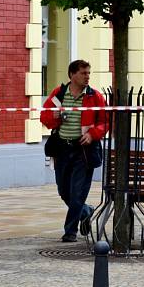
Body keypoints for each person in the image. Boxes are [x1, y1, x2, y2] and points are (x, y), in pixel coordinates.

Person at [41, 60, 108, 242]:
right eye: (83, 73)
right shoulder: (59, 94)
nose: (87, 76)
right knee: (64, 191)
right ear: (72, 75)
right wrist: (53, 116)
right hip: (62, 148)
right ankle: (86, 211)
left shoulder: (95, 96)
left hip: (83, 150)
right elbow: (44, 116)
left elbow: (104, 122)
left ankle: (70, 231)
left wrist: (93, 134)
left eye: (88, 73)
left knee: (77, 192)